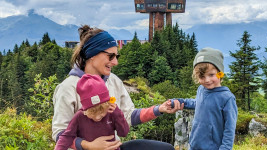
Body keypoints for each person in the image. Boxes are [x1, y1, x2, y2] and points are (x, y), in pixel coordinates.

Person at [52, 25, 183, 150]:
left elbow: (129, 116)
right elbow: (60, 134)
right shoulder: (68, 87)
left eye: (117, 56)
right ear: (92, 55)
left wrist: (159, 109)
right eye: (111, 56)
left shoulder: (113, 81)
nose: (115, 62)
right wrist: (88, 146)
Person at [170, 47, 238, 150]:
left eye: (211, 75)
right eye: (202, 77)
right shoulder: (201, 89)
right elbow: (198, 103)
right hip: (194, 145)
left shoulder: (227, 98)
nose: (207, 80)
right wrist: (181, 102)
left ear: (220, 73)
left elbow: (230, 129)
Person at [55, 74, 129, 150]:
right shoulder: (79, 116)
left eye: (101, 112)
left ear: (108, 104)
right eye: (92, 113)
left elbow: (124, 133)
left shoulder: (111, 112)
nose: (97, 117)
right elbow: (66, 137)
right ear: (85, 109)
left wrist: (118, 114)